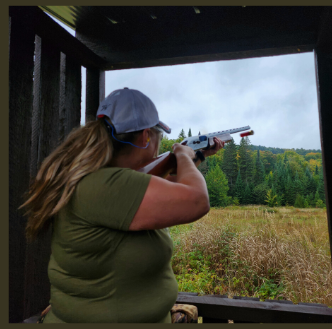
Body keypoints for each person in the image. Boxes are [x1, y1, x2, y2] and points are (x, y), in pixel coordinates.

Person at [20, 88, 222, 322]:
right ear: (146, 136)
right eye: (158, 136)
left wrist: (197, 157)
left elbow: (165, 190)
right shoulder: (106, 185)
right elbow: (196, 200)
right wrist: (183, 154)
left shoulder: (100, 180)